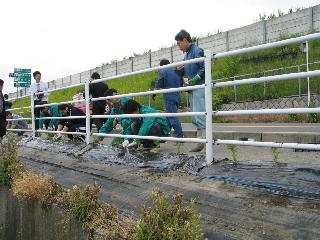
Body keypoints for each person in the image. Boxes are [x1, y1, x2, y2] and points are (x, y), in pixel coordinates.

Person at [175, 29, 206, 152]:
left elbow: (204, 67)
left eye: (179, 44)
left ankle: (205, 140)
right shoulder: (187, 55)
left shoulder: (197, 51)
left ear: (185, 40)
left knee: (200, 113)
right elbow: (188, 71)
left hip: (199, 86)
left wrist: (196, 78)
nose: (178, 47)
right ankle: (201, 140)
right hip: (192, 87)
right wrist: (181, 70)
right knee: (195, 115)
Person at [155, 59, 184, 138]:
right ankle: (165, 132)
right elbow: (181, 83)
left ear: (162, 66)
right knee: (169, 116)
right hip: (177, 96)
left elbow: (159, 83)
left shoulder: (163, 71)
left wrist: (155, 90)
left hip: (169, 96)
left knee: (172, 116)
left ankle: (179, 136)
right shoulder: (176, 71)